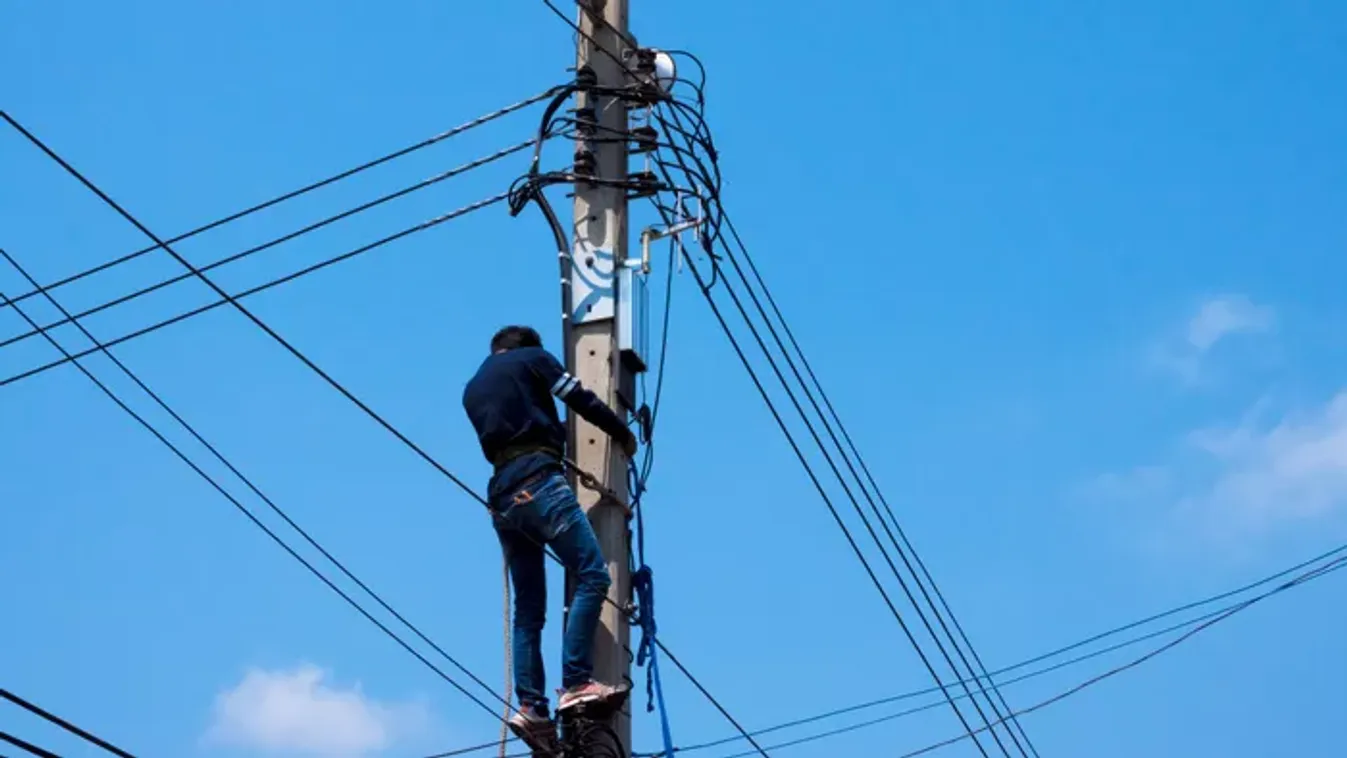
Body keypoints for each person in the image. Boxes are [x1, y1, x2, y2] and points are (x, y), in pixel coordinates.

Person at [462, 325, 636, 746]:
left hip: (502, 495)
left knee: (529, 610)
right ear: (527, 347)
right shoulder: (534, 358)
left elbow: (524, 425)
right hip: (539, 482)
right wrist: (621, 432)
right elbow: (579, 398)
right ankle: (576, 682)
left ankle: (532, 707)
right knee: (593, 574)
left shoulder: (474, 387)